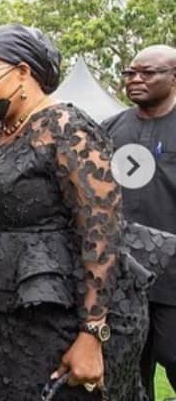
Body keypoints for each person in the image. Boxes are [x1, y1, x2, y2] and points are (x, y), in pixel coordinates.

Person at [0, 24, 175, 400]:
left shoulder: (68, 129)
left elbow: (101, 232)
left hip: (58, 315)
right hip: (1, 317)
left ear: (23, 72)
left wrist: (92, 333)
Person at [102, 44, 176, 401]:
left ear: (173, 77)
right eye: (130, 73)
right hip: (123, 276)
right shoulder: (110, 129)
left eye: (147, 73)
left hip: (174, 278)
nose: (135, 79)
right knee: (128, 373)